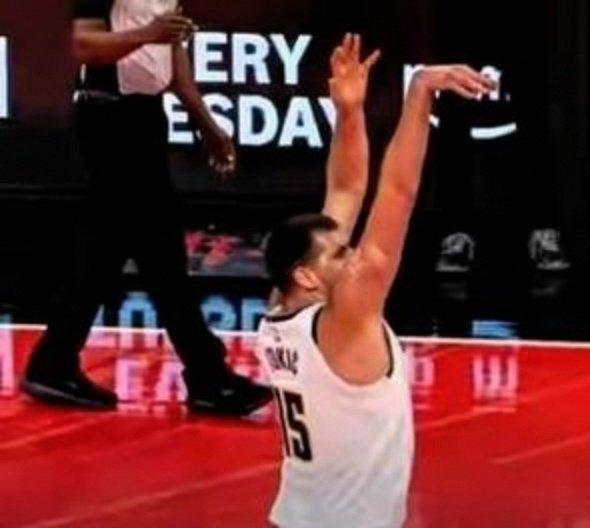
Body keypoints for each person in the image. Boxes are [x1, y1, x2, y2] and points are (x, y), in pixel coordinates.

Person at [255, 34, 494, 528]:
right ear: (307, 274)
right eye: (340, 253)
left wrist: (349, 112)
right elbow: (399, 193)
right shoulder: (346, 318)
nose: (352, 256)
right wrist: (419, 93)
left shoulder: (280, 308)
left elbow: (346, 189)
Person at [21, 0, 268, 415]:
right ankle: (207, 375)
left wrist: (206, 123)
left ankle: (54, 362)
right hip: (107, 114)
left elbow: (172, 52)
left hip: (145, 116)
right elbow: (85, 45)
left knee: (115, 251)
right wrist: (149, 33)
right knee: (159, 247)